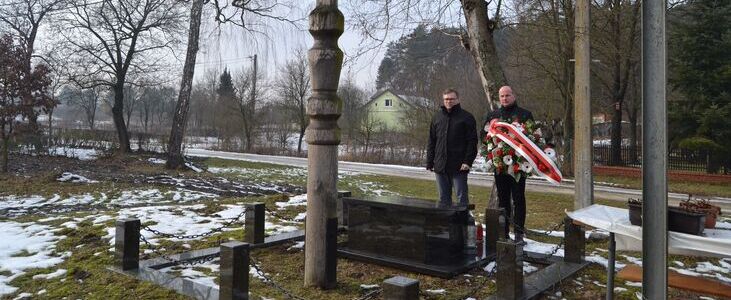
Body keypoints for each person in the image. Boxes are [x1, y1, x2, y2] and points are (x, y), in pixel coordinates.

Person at [481, 85, 534, 244]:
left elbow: (532, 138)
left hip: (518, 165)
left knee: (519, 199)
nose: (504, 98)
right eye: (502, 96)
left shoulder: (525, 114)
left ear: (514, 96)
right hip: (500, 166)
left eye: (507, 95)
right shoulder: (493, 115)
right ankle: (503, 233)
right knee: (503, 200)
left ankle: (519, 234)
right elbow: (483, 136)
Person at [426, 88, 478, 208]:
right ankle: (445, 225)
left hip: (459, 166)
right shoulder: (437, 117)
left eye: (451, 99)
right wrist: (430, 161)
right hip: (440, 165)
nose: (448, 101)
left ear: (458, 99)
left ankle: (462, 224)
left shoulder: (467, 117)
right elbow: (432, 141)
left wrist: (467, 161)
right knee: (443, 199)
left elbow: (472, 142)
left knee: (462, 199)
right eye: (446, 99)